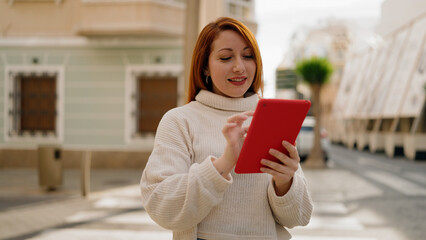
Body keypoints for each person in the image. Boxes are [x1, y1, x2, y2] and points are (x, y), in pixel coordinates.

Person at [140, 17, 313, 240]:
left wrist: (285, 182)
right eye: (225, 57)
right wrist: (224, 163)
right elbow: (160, 205)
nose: (239, 66)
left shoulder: (270, 118)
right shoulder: (180, 121)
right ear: (205, 67)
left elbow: (300, 217)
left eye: (248, 56)